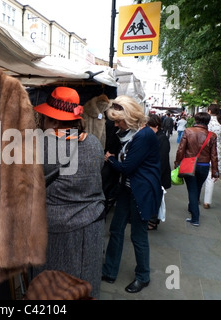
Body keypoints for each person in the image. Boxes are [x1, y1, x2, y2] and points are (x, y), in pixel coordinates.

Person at [30, 86, 106, 299]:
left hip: (59, 230)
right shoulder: (93, 143)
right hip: (92, 225)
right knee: (85, 285)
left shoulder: (46, 145)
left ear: (53, 120)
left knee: (54, 289)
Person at [101, 95, 162, 293]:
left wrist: (110, 159)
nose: (117, 124)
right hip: (129, 189)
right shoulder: (134, 134)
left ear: (130, 116)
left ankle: (143, 276)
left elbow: (126, 167)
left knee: (138, 235)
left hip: (141, 191)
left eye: (119, 120)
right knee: (117, 230)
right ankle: (110, 271)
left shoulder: (144, 136)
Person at [175, 112, 218, 227]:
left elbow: (180, 150)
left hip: (190, 165)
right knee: (197, 188)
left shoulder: (188, 131)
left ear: (195, 119)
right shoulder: (212, 135)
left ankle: (195, 218)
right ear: (207, 122)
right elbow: (214, 155)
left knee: (192, 191)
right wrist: (215, 171)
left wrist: (177, 162)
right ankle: (191, 207)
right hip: (204, 167)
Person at [147, 114, 171, 230]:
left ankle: (152, 221)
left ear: (156, 126)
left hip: (158, 175)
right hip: (156, 174)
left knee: (155, 198)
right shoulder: (157, 137)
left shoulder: (162, 139)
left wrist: (156, 175)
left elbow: (162, 160)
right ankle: (152, 220)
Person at [203, 104, 221, 209]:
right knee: (211, 176)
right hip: (216, 151)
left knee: (199, 174)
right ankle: (207, 201)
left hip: (204, 150)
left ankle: (197, 196)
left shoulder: (205, 121)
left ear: (209, 111)